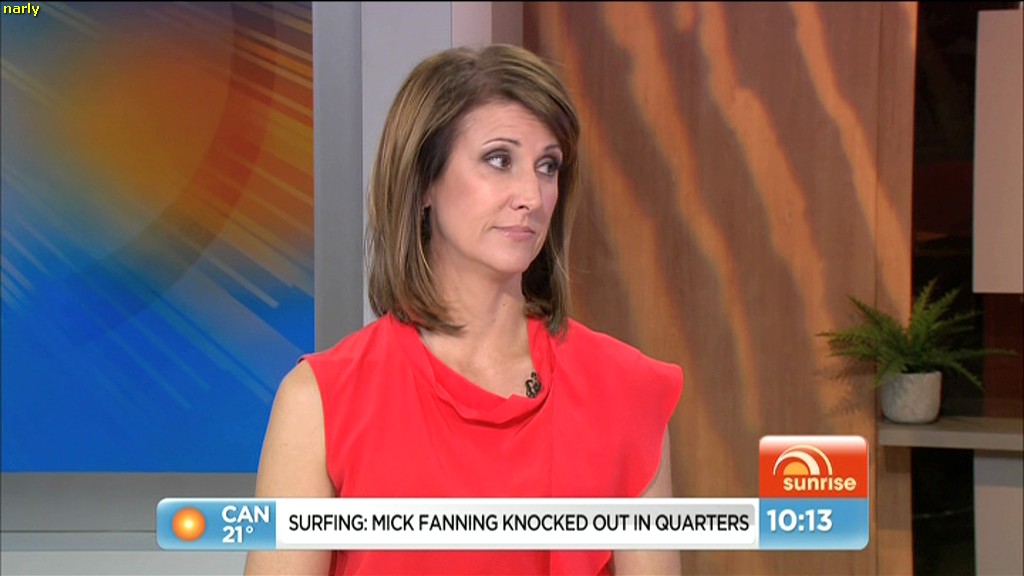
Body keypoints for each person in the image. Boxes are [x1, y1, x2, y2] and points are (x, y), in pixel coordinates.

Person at [244, 44, 683, 576]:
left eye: (548, 166)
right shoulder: (320, 402)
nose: (532, 195)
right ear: (424, 182)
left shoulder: (624, 390)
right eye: (500, 160)